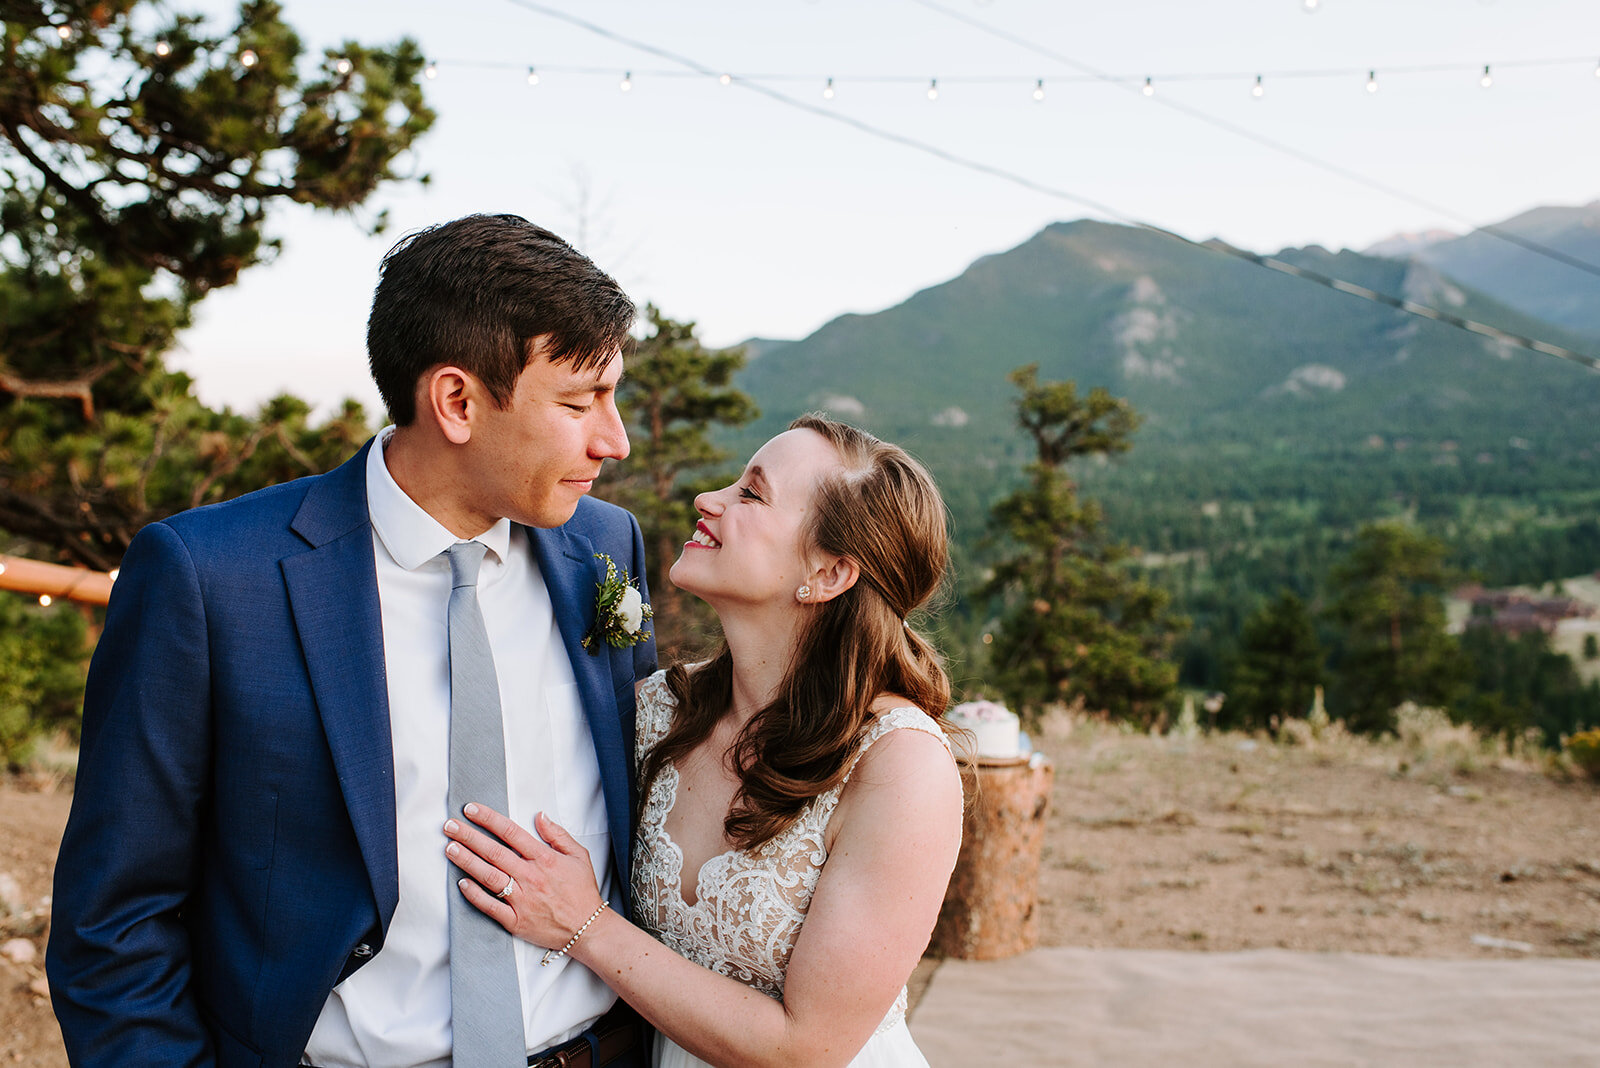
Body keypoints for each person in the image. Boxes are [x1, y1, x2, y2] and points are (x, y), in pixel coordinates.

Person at [47, 214, 656, 1068]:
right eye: (580, 401)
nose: (614, 438)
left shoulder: (604, 548)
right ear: (456, 401)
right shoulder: (212, 577)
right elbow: (114, 920)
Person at [442, 415, 965, 1067]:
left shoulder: (898, 764)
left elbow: (808, 1048)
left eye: (751, 493)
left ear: (828, 573)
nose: (706, 499)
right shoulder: (663, 710)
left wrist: (585, 925)